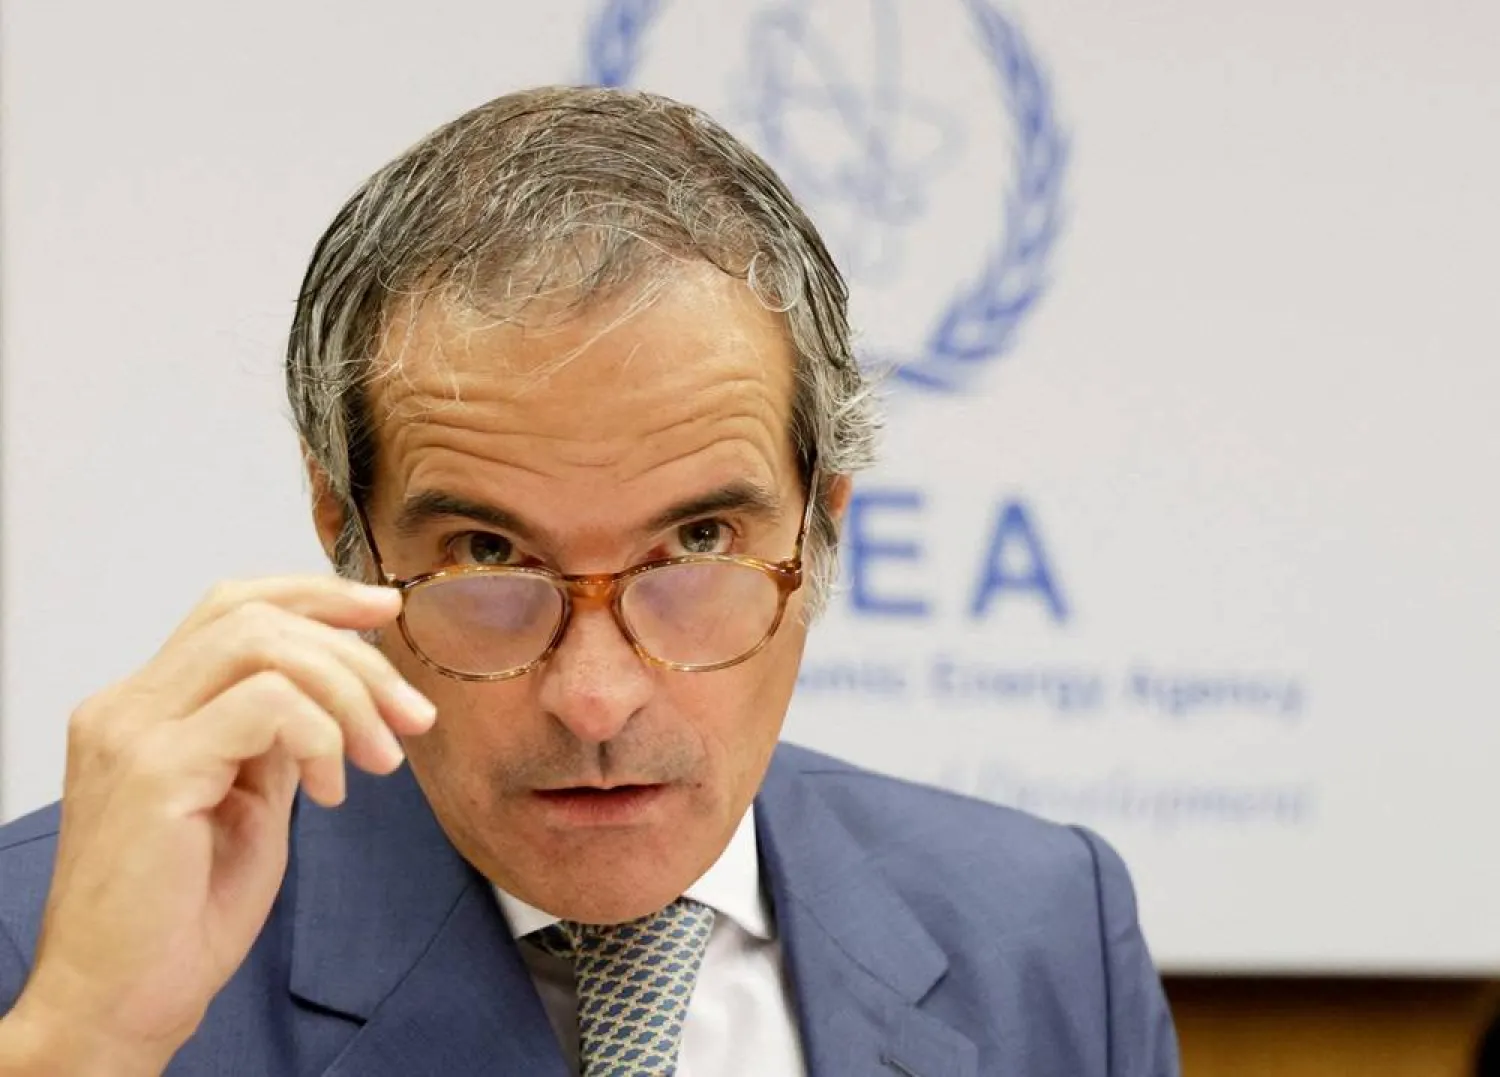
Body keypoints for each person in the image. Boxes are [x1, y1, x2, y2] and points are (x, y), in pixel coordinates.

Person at [0, 85, 1179, 1076]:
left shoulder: (1043, 930)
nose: (599, 701)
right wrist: (81, 1044)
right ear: (340, 526)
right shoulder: (48, 947)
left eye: (699, 545)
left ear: (823, 526)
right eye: (489, 555)